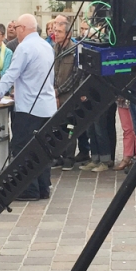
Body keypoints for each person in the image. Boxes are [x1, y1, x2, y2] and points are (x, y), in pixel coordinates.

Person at [0, 14, 56, 200]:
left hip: (29, 107)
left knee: (23, 149)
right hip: (47, 106)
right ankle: (43, 187)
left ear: (22, 28)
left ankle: (28, 190)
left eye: (16, 28)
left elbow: (10, 75)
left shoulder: (24, 48)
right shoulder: (46, 46)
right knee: (42, 149)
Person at [51, 19, 82, 170]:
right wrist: (54, 91)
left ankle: (69, 157)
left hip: (69, 95)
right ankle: (58, 156)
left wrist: (59, 91)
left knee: (70, 126)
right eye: (55, 31)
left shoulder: (75, 50)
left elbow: (75, 76)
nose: (55, 34)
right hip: (55, 95)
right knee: (57, 126)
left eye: (59, 32)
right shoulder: (54, 48)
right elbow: (52, 73)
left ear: (68, 34)